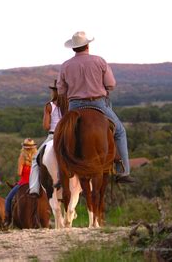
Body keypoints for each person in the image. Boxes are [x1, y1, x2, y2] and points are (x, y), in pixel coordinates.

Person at [57, 31, 134, 183]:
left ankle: (61, 174)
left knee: (60, 136)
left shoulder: (65, 65)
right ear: (87, 45)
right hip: (98, 103)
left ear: (73, 48)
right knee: (119, 132)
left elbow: (61, 91)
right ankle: (123, 171)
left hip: (75, 106)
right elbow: (111, 84)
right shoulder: (99, 61)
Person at [29, 80, 66, 195]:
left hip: (53, 136)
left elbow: (46, 126)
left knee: (35, 160)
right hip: (66, 136)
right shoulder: (70, 104)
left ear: (54, 92)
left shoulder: (49, 106)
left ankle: (34, 189)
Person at [4, 138, 37, 226]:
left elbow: (19, 173)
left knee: (8, 199)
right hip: (35, 182)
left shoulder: (22, 157)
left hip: (24, 182)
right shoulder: (37, 156)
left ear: (24, 147)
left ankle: (8, 220)